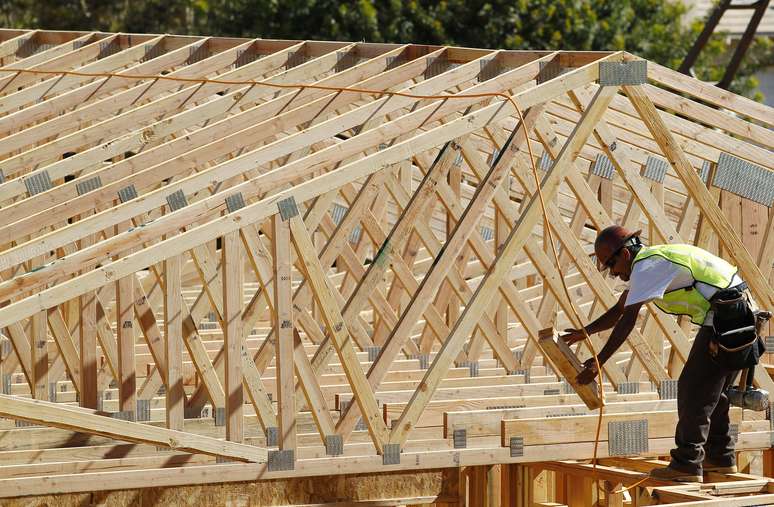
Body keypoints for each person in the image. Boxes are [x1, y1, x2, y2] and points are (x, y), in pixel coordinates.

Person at [561, 225, 759, 483]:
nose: (614, 273)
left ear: (625, 255)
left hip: (728, 316)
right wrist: (584, 332)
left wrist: (599, 360)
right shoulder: (652, 263)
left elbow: (627, 320)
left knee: (693, 388)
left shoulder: (647, 267)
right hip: (736, 314)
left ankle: (687, 464)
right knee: (712, 391)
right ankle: (720, 458)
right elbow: (620, 309)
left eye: (612, 264)